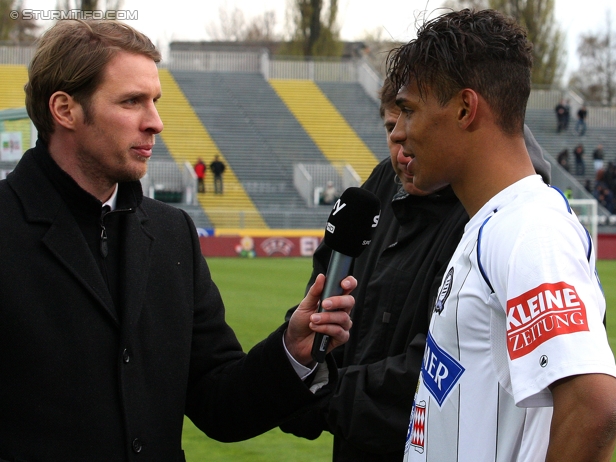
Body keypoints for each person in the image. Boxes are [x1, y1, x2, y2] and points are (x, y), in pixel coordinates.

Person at [0, 19, 358, 460]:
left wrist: (292, 351)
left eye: (155, 101)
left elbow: (219, 402)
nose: (156, 122)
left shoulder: (172, 234)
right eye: (132, 101)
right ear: (65, 109)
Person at [387, 9, 616, 461]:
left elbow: (596, 409)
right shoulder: (492, 223)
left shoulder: (529, 228)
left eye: (409, 110)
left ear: (464, 108)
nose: (399, 132)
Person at [280, 76, 552, 461]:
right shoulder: (377, 188)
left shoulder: (499, 220)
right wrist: (301, 364)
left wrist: (318, 397)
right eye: (392, 126)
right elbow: (325, 304)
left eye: (409, 119)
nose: (400, 140)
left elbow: (440, 368)